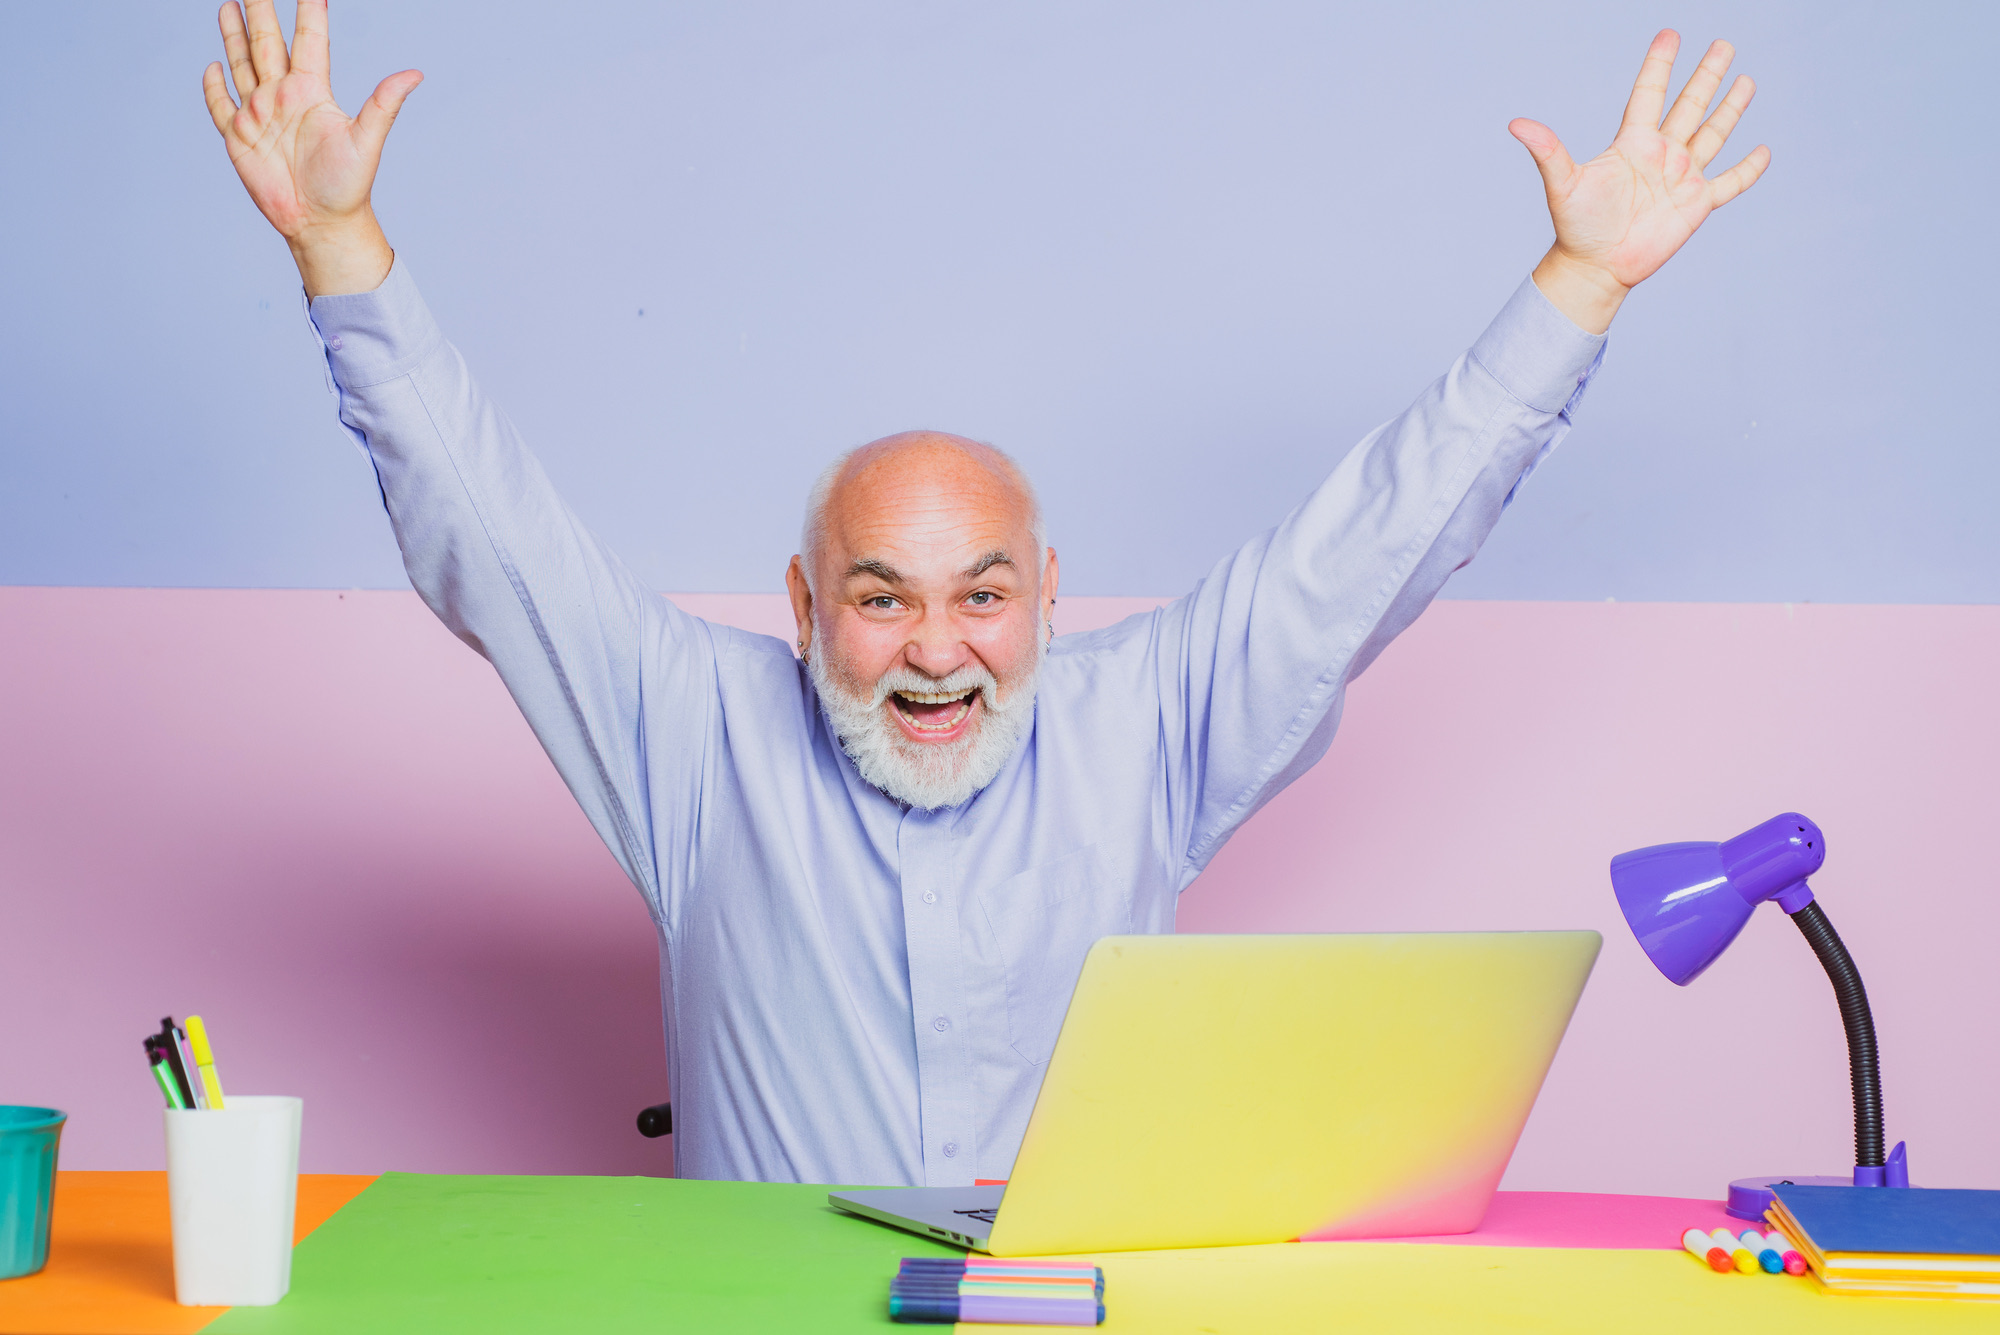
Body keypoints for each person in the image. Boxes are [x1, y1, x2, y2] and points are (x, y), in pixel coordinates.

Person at [202, 1, 1767, 1185]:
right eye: (880, 599)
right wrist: (340, 246)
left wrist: (1581, 287)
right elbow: (494, 534)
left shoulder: (1150, 721)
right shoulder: (691, 736)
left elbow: (1377, 541)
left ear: (1052, 599)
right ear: (804, 612)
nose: (934, 651)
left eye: (983, 594)